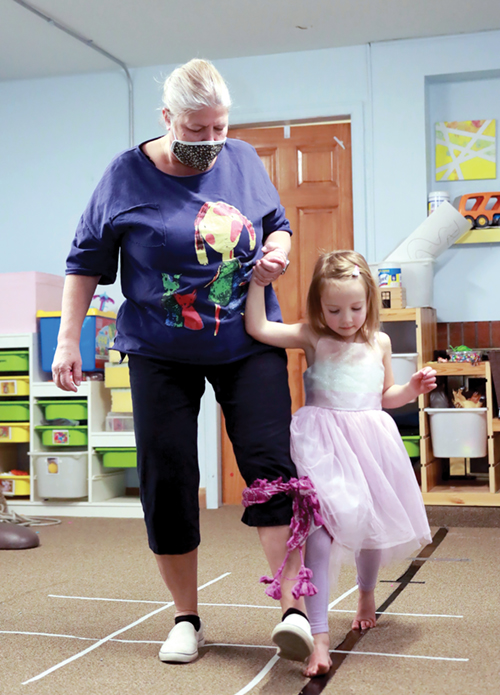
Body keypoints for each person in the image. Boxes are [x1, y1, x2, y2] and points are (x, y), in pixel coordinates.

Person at [51, 58, 314, 664]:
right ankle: (186, 618)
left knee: (272, 466)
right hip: (158, 351)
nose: (211, 142)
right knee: (167, 479)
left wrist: (277, 250)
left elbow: (276, 226)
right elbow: (84, 262)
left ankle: (293, 609)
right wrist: (69, 341)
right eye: (196, 130)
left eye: (220, 127)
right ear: (167, 118)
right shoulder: (124, 176)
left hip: (249, 342)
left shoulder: (243, 158)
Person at [244, 249, 436, 677]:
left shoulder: (379, 342)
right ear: (319, 306)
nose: (346, 318)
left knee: (369, 527)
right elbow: (257, 328)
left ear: (370, 301)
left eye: (355, 307)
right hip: (323, 444)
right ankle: (320, 637)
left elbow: (383, 397)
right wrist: (258, 284)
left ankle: (366, 594)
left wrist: (411, 388)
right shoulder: (314, 336)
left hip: (369, 442)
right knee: (321, 532)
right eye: (334, 309)